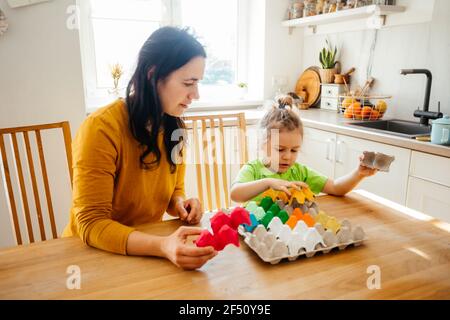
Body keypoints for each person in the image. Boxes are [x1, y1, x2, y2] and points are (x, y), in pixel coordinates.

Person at [62, 26, 217, 270]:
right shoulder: (101, 128)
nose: (195, 95)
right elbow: (91, 223)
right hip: (91, 254)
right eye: (188, 83)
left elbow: (173, 188)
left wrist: (179, 203)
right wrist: (162, 246)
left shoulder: (173, 125)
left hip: (144, 251)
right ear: (152, 74)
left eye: (197, 83)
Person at [230, 99, 378, 204]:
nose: (287, 156)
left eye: (294, 150)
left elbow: (335, 188)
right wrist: (268, 182)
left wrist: (359, 174)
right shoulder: (253, 169)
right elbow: (235, 194)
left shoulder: (299, 172)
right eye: (280, 149)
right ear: (263, 144)